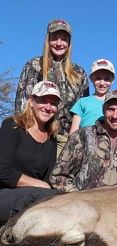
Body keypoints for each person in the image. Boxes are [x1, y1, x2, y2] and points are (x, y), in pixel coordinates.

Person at [50, 89, 117, 192]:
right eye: (111, 109)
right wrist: (79, 197)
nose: (115, 116)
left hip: (115, 208)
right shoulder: (83, 136)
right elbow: (58, 177)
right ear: (103, 109)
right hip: (80, 206)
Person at [15, 19, 90, 155]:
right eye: (54, 38)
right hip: (35, 137)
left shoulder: (79, 73)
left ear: (69, 43)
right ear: (47, 40)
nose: (59, 43)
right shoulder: (33, 65)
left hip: (66, 142)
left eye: (64, 39)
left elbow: (83, 112)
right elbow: (21, 104)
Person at [0, 81, 62, 226]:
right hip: (5, 194)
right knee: (52, 198)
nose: (48, 107)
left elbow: (47, 178)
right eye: (43, 101)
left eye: (53, 103)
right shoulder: (12, 125)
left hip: (33, 197)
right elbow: (2, 171)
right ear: (31, 102)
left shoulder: (51, 138)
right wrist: (39, 185)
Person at [69, 59, 115, 135]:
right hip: (85, 143)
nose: (102, 83)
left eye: (106, 79)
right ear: (91, 78)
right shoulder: (82, 102)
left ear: (112, 80)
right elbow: (73, 131)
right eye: (98, 78)